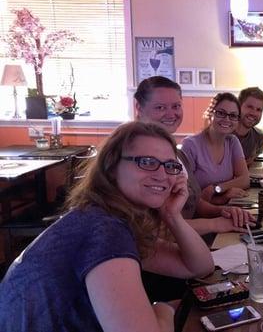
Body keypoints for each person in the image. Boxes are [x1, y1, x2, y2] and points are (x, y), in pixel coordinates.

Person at [0, 121, 214, 332]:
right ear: (111, 167)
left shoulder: (107, 218)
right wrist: (163, 309)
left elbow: (199, 267)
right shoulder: (104, 230)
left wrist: (172, 216)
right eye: (147, 162)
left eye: (170, 165)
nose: (162, 175)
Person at [134, 76, 254, 230]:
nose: (171, 114)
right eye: (160, 107)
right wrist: (215, 223)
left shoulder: (175, 154)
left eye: (176, 106)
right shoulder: (140, 160)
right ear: (139, 107)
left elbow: (195, 202)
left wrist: (224, 211)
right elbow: (159, 229)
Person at [182, 92, 250, 205]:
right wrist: (222, 198)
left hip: (223, 207)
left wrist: (216, 188)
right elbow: (188, 199)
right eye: (221, 113)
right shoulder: (191, 145)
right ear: (210, 114)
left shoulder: (232, 142)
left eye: (233, 115)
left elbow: (245, 179)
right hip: (198, 215)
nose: (227, 119)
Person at [234, 87, 263, 165]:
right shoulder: (222, 135)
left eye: (259, 110)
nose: (254, 113)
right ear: (238, 107)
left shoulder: (259, 137)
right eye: (250, 107)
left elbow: (247, 167)